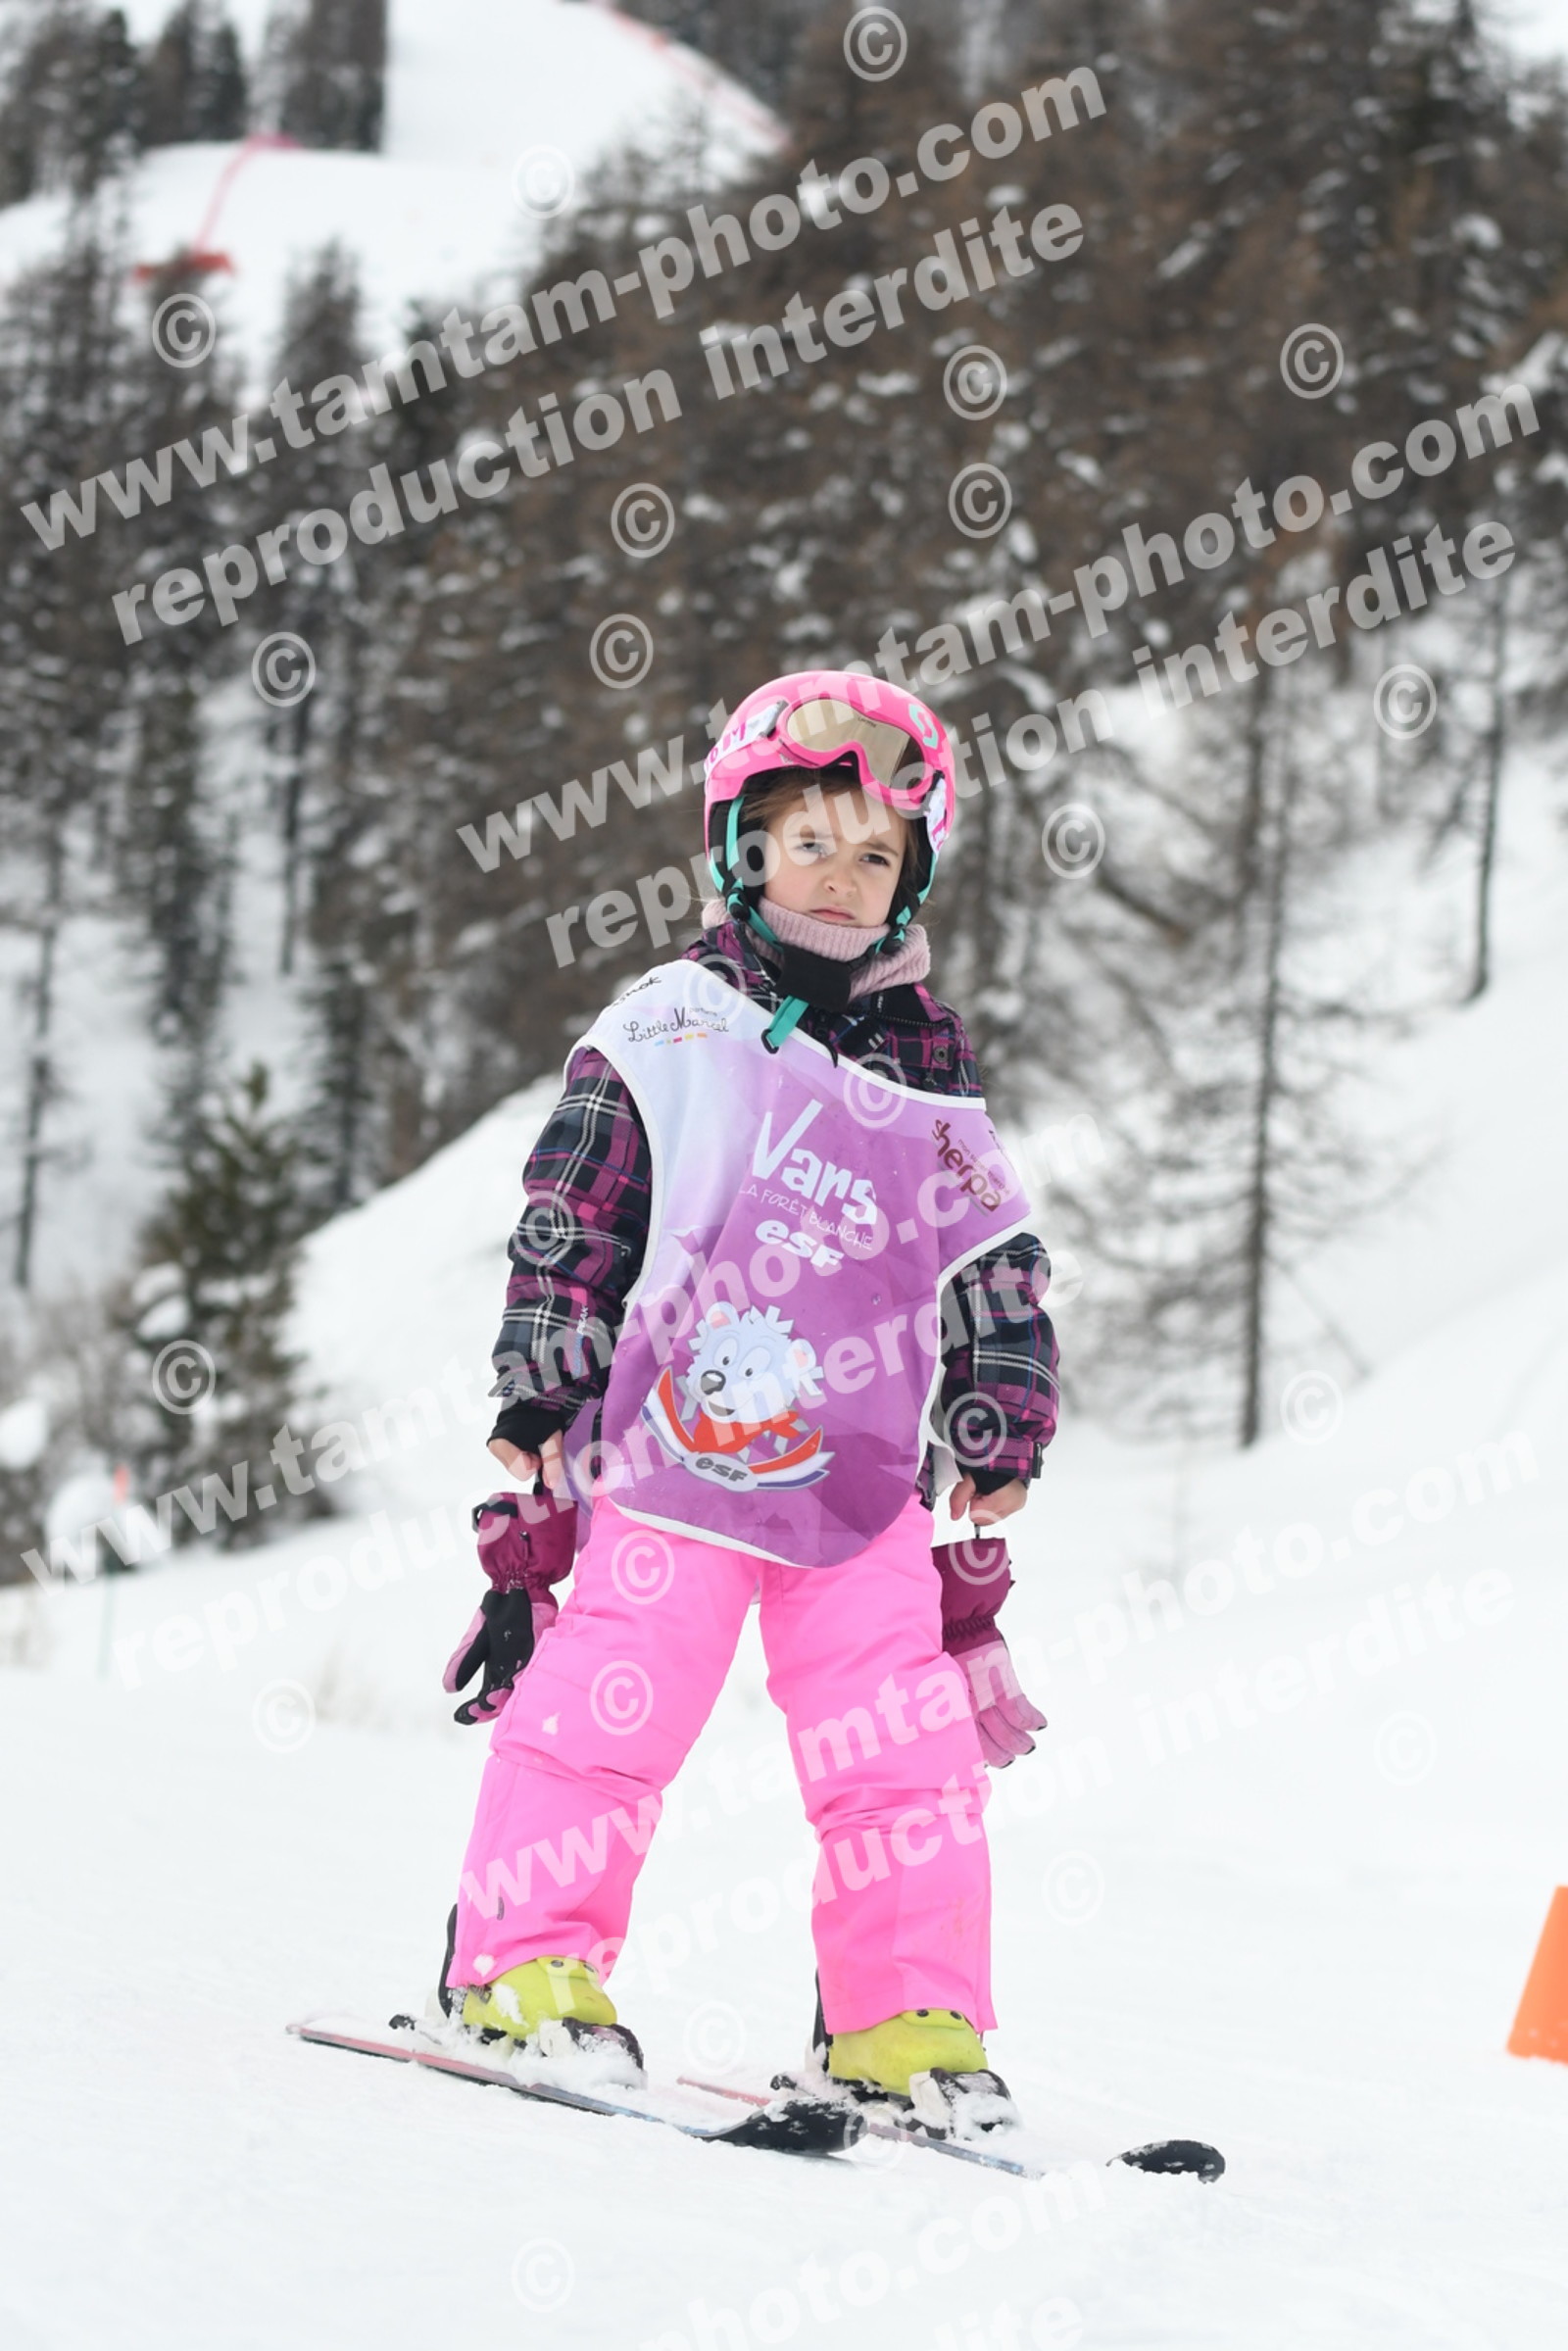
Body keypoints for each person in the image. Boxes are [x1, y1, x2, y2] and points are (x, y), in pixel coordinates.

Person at [443, 669, 1057, 2120]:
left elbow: (989, 1252)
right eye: (812, 843)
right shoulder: (674, 1026)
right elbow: (578, 1206)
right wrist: (543, 1380)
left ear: (911, 880)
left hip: (861, 1477)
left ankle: (903, 2021)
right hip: (672, 1454)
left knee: (902, 1748)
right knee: (610, 1713)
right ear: (743, 847)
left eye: (877, 856)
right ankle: (523, 1967)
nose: (842, 877)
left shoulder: (930, 1058)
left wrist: (1000, 1412)